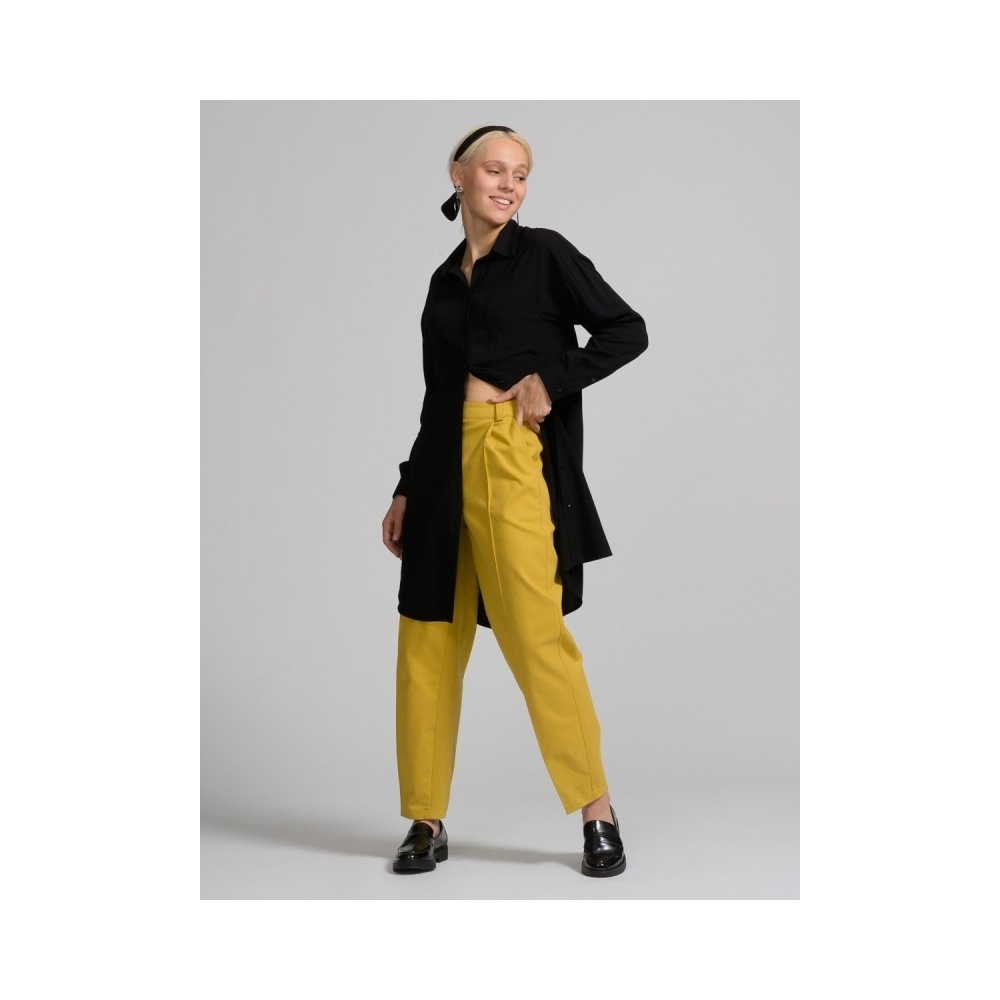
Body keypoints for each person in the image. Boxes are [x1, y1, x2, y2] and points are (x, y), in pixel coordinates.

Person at [381, 125, 647, 877]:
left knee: (535, 636)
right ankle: (426, 818)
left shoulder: (545, 254)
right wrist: (407, 483)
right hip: (442, 462)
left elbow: (627, 329)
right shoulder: (443, 280)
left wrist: (549, 381)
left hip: (509, 453)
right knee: (427, 641)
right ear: (458, 175)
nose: (509, 185)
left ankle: (597, 810)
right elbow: (435, 396)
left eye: (520, 174)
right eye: (495, 170)